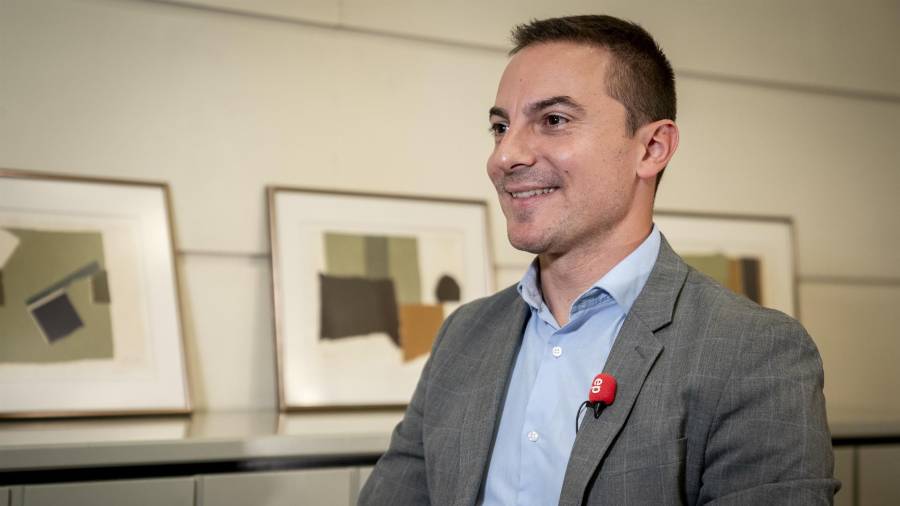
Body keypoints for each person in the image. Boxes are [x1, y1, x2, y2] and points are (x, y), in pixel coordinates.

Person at [359, 14, 838, 505]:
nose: (504, 155)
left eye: (554, 120)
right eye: (500, 126)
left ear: (651, 147)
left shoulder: (753, 352)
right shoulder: (464, 335)